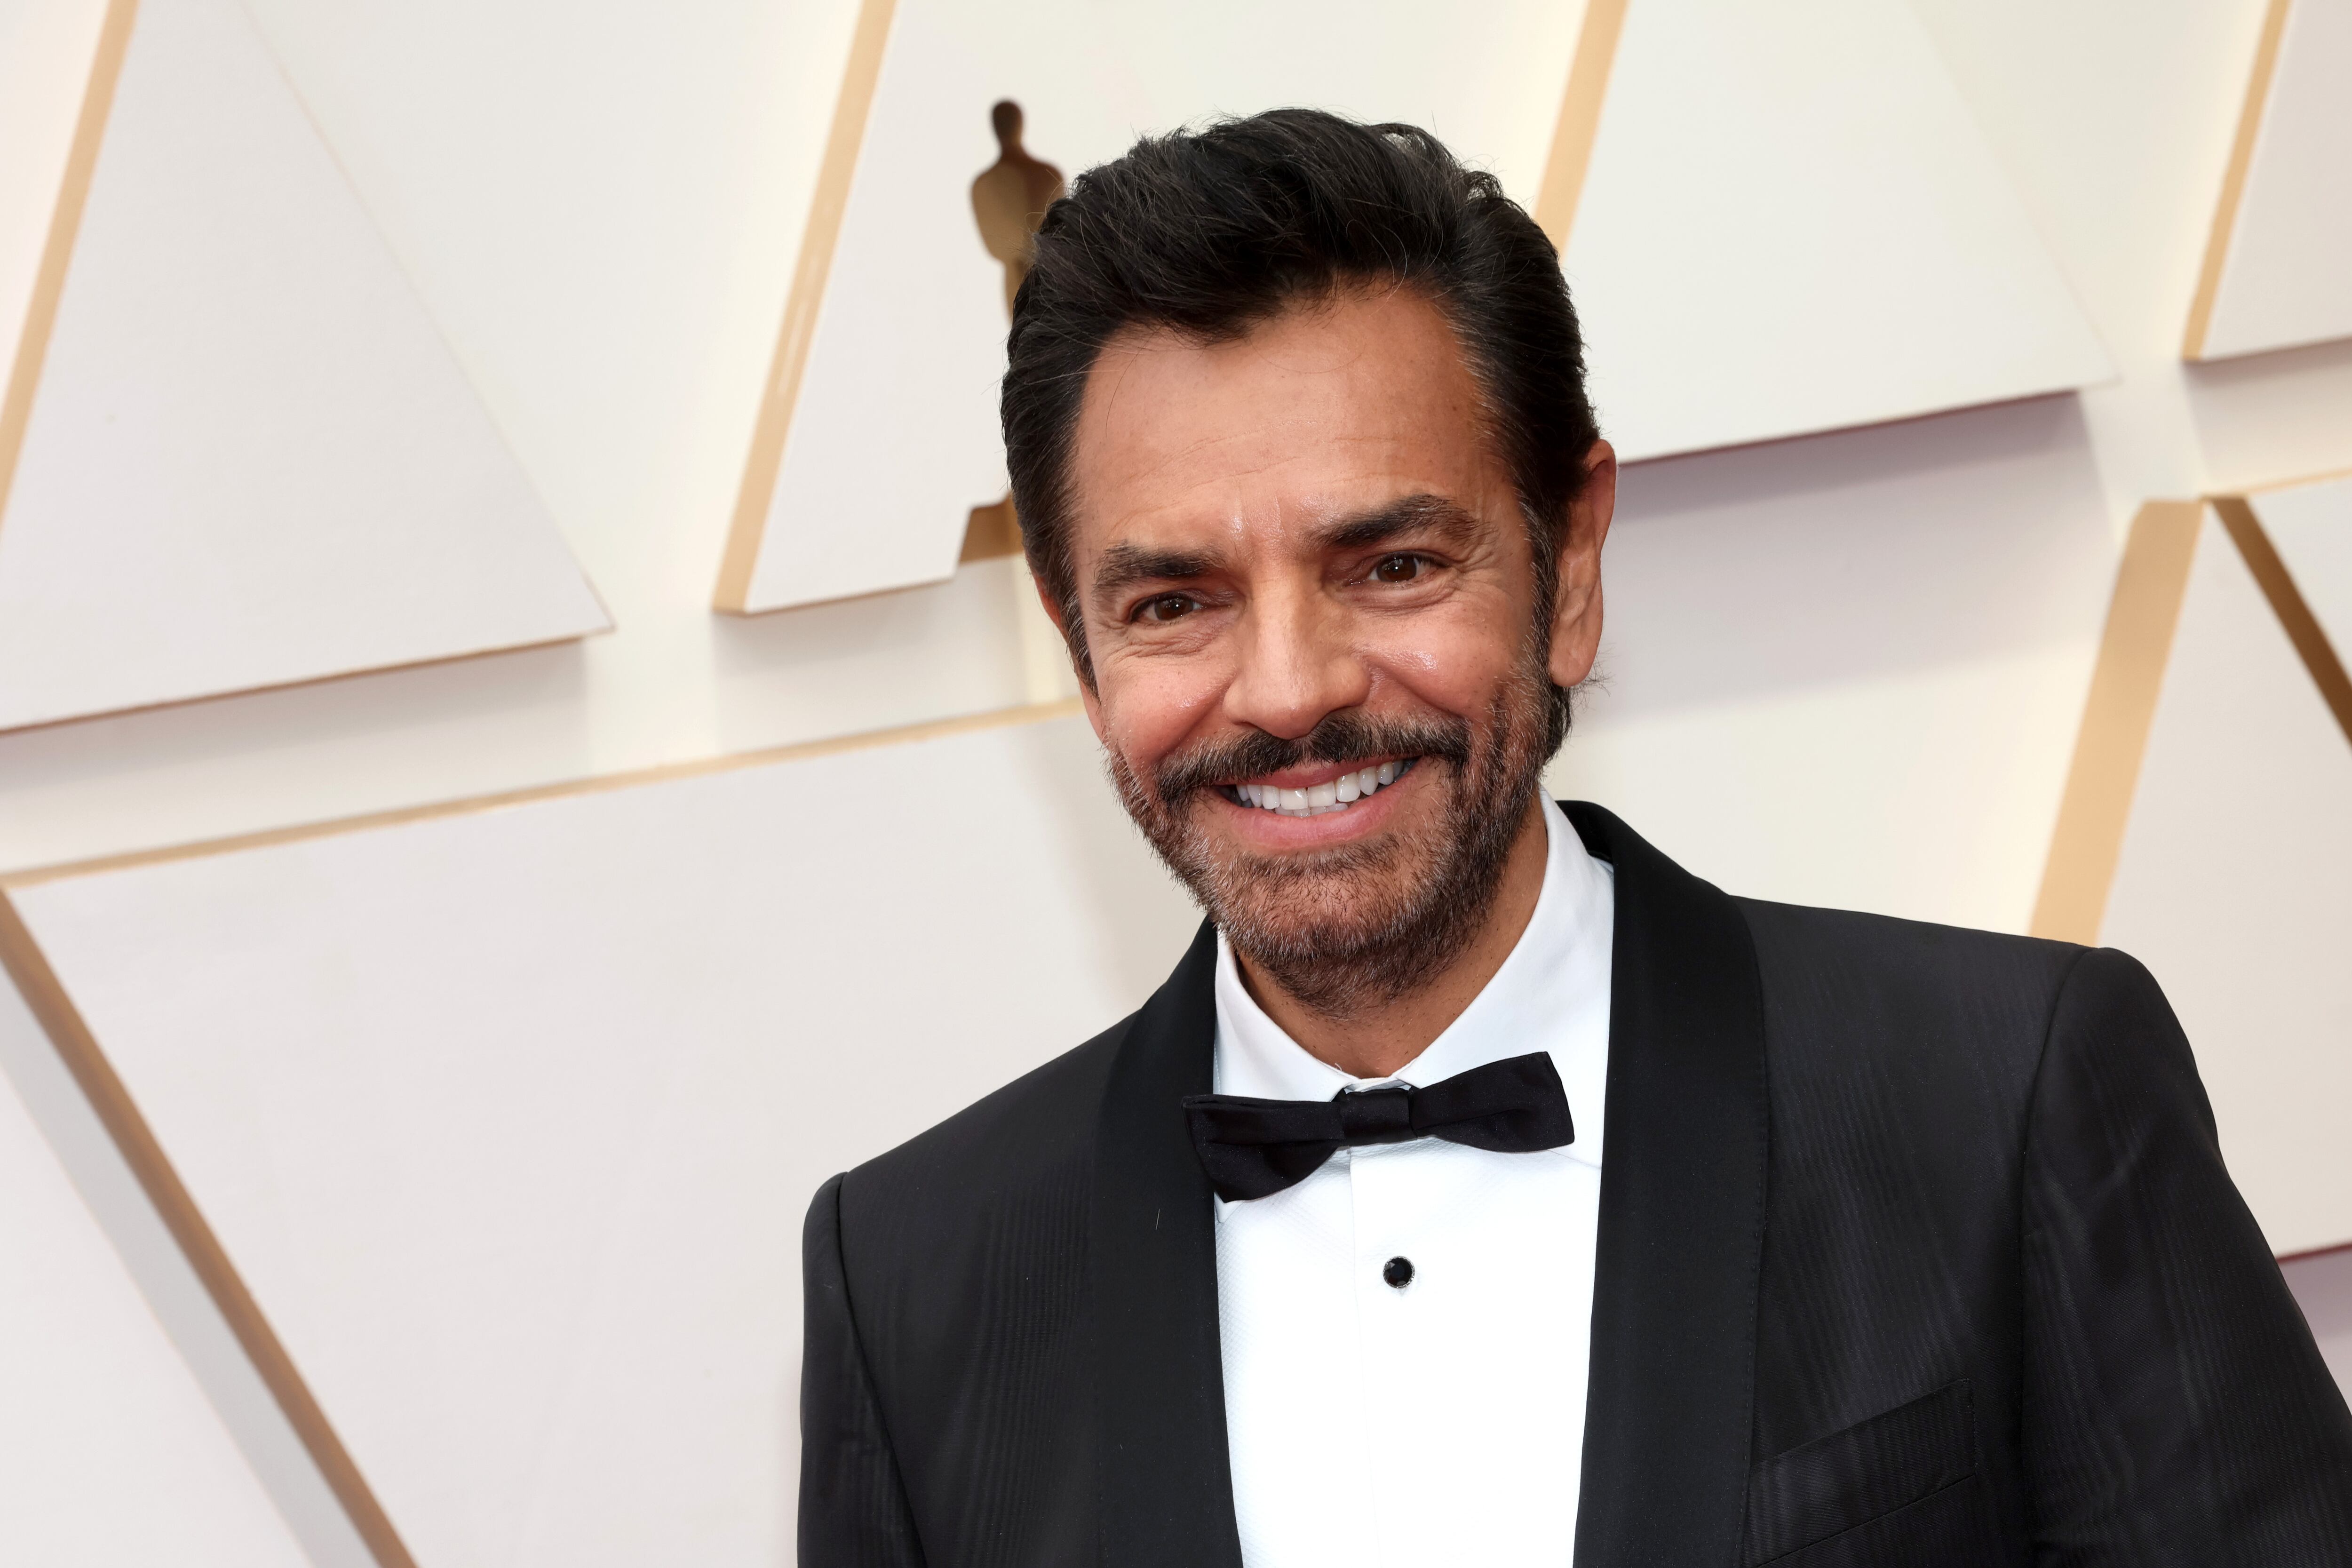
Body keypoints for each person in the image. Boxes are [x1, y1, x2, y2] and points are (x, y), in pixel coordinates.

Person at [799, 109, 2352, 1567]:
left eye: (1393, 563)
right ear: (1079, 648)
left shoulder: (2005, 1103)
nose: (1287, 691)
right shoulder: (918, 1280)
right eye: (1174, 603)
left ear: (1574, 561)